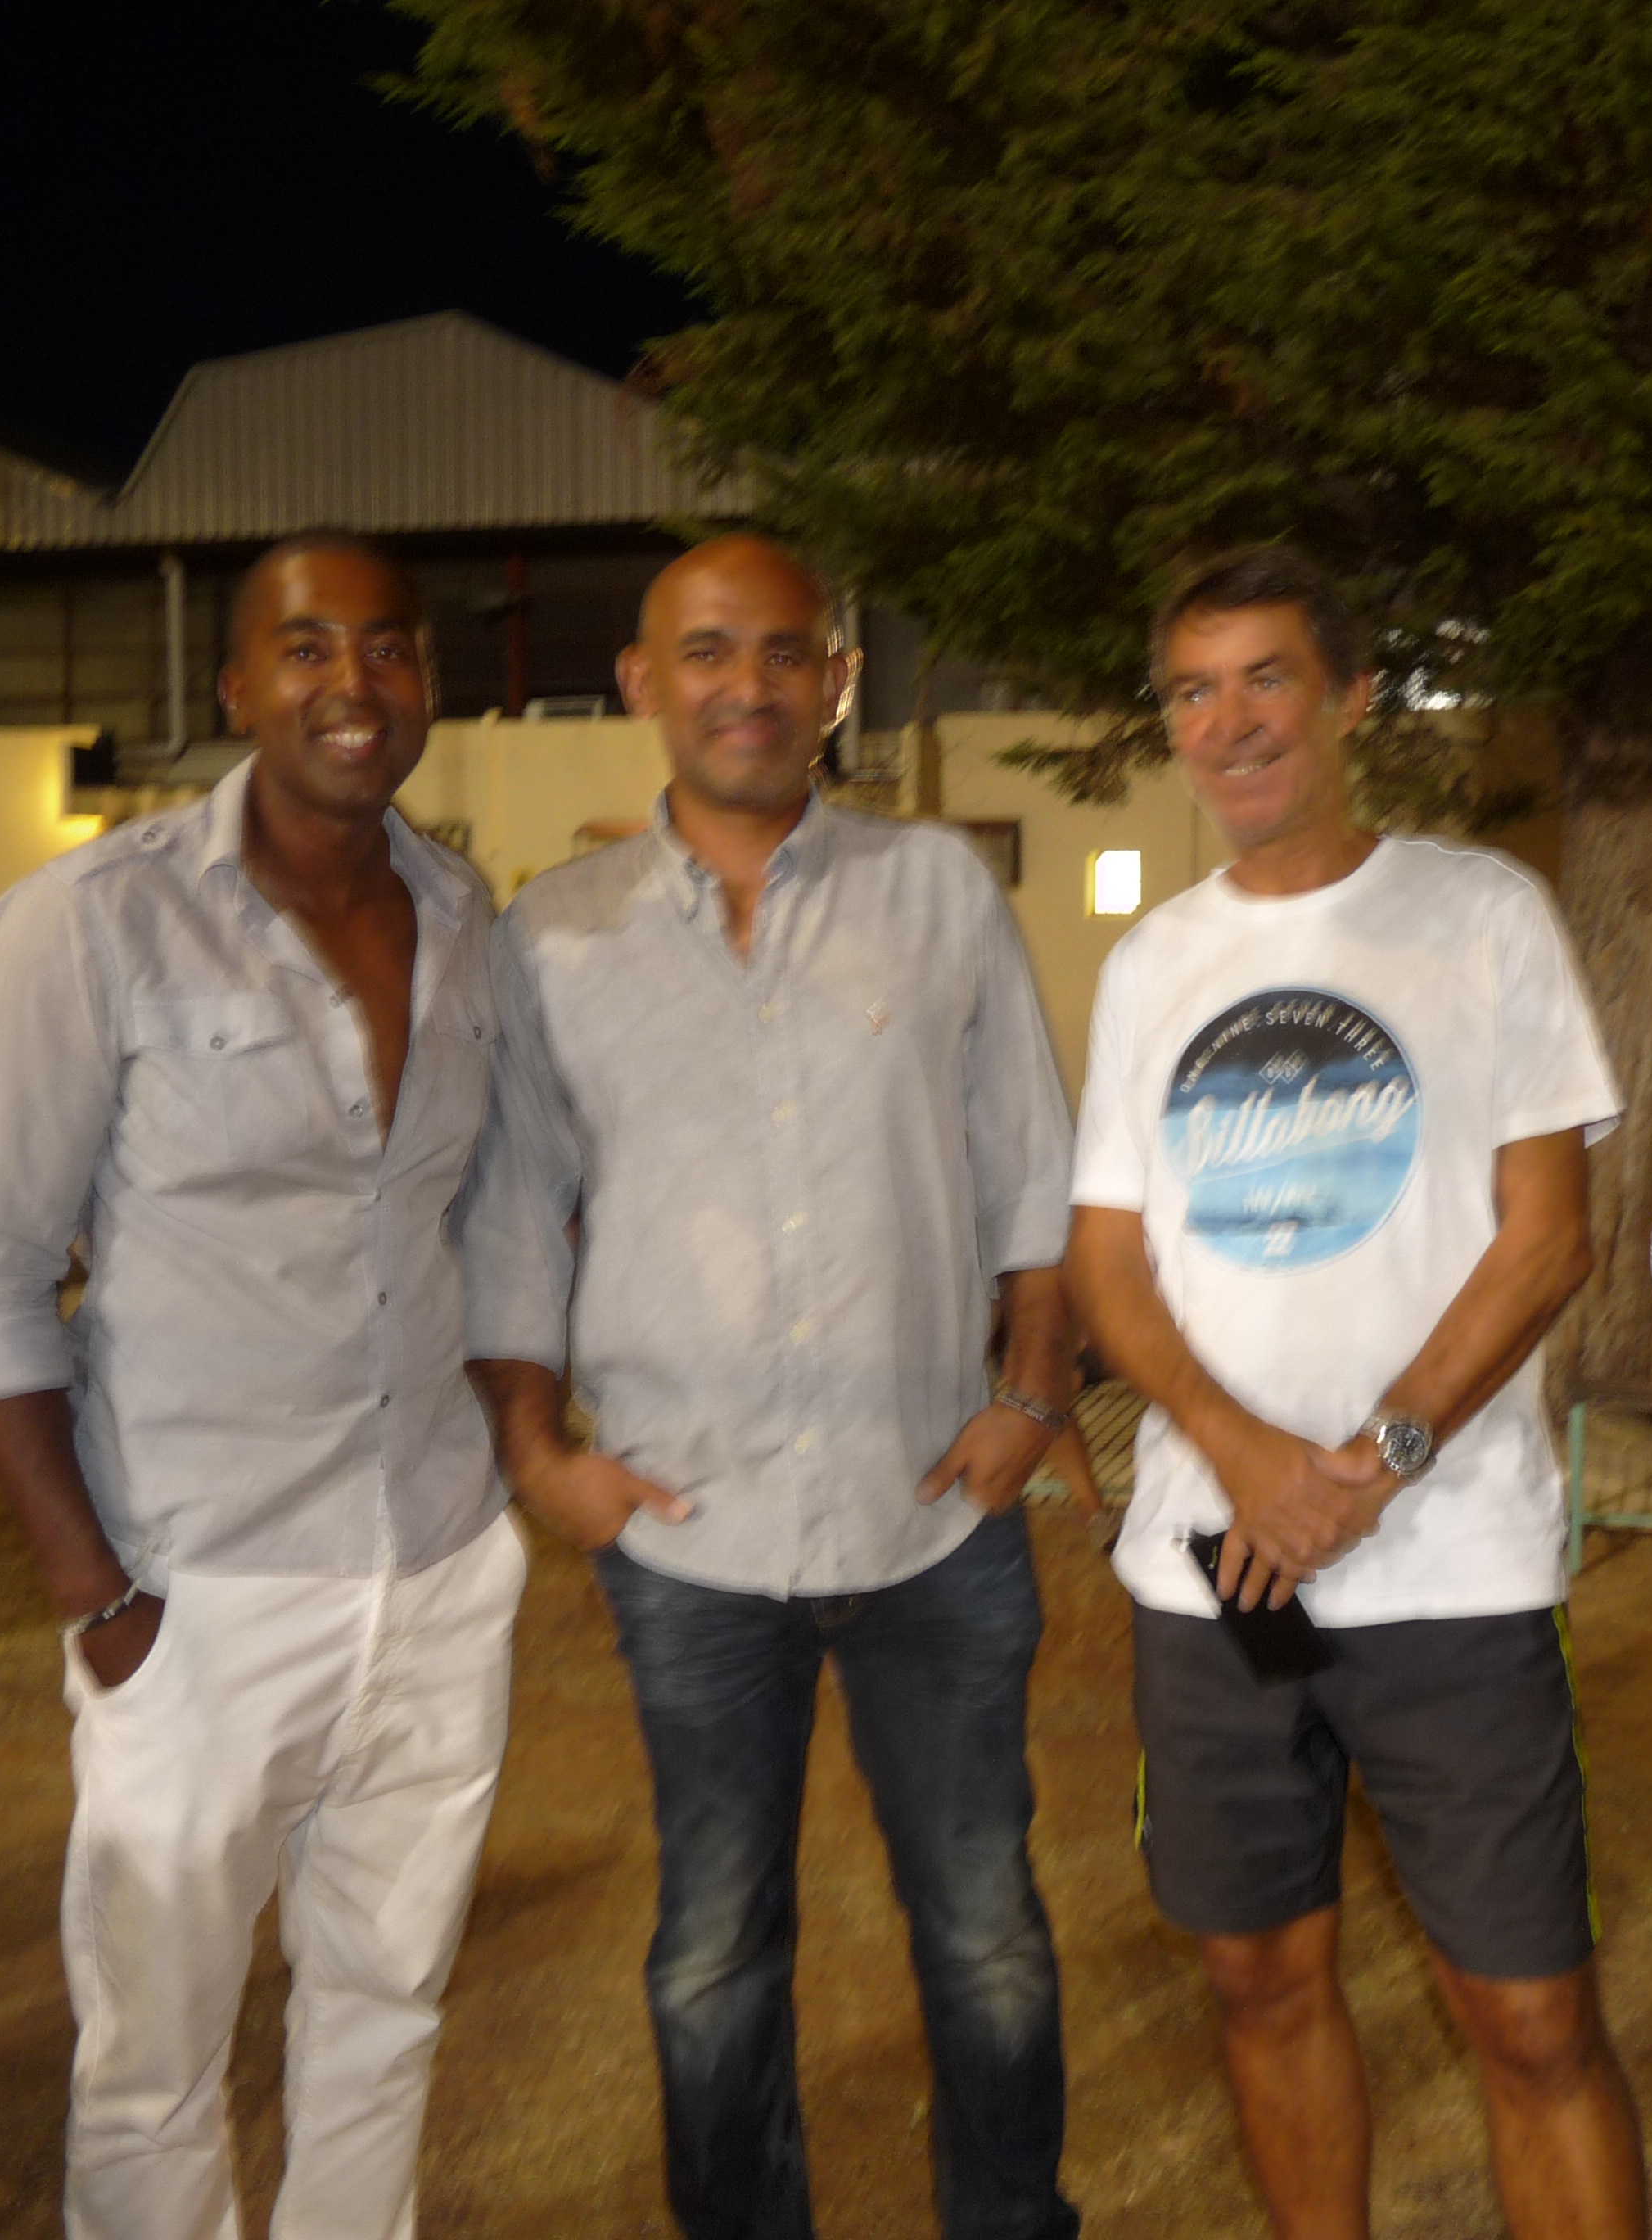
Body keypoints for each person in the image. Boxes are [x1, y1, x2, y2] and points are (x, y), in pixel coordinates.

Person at [458, 532, 1085, 2240]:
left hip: (933, 1526)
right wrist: (539, 1453)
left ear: (836, 682)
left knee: (988, 1938)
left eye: (784, 652)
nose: (749, 685)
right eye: (708, 651)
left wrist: (1034, 1395)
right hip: (690, 1539)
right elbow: (512, 1216)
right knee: (712, 1952)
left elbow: (1033, 1173)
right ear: (641, 683)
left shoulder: (937, 893)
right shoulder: (553, 938)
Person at [0, 535, 526, 2240]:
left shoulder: (463, 915)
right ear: (236, 685)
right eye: (307, 648)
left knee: (387, 2013)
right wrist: (98, 1599)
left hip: (435, 1571)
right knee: (154, 2061)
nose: (354, 685)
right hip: (198, 1589)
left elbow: (475, 1218)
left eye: (388, 647)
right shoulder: (84, 925)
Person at [1064, 546, 1646, 2240]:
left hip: (1450, 1569)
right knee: (1258, 1979)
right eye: (1193, 691)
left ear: (1350, 699)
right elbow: (1108, 1264)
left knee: (1528, 2014)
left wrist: (1372, 1464)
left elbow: (1548, 1240)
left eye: (1267, 678)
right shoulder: (1152, 962)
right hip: (1220, 1577)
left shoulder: (1481, 915)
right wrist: (1246, 1458)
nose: (1230, 721)